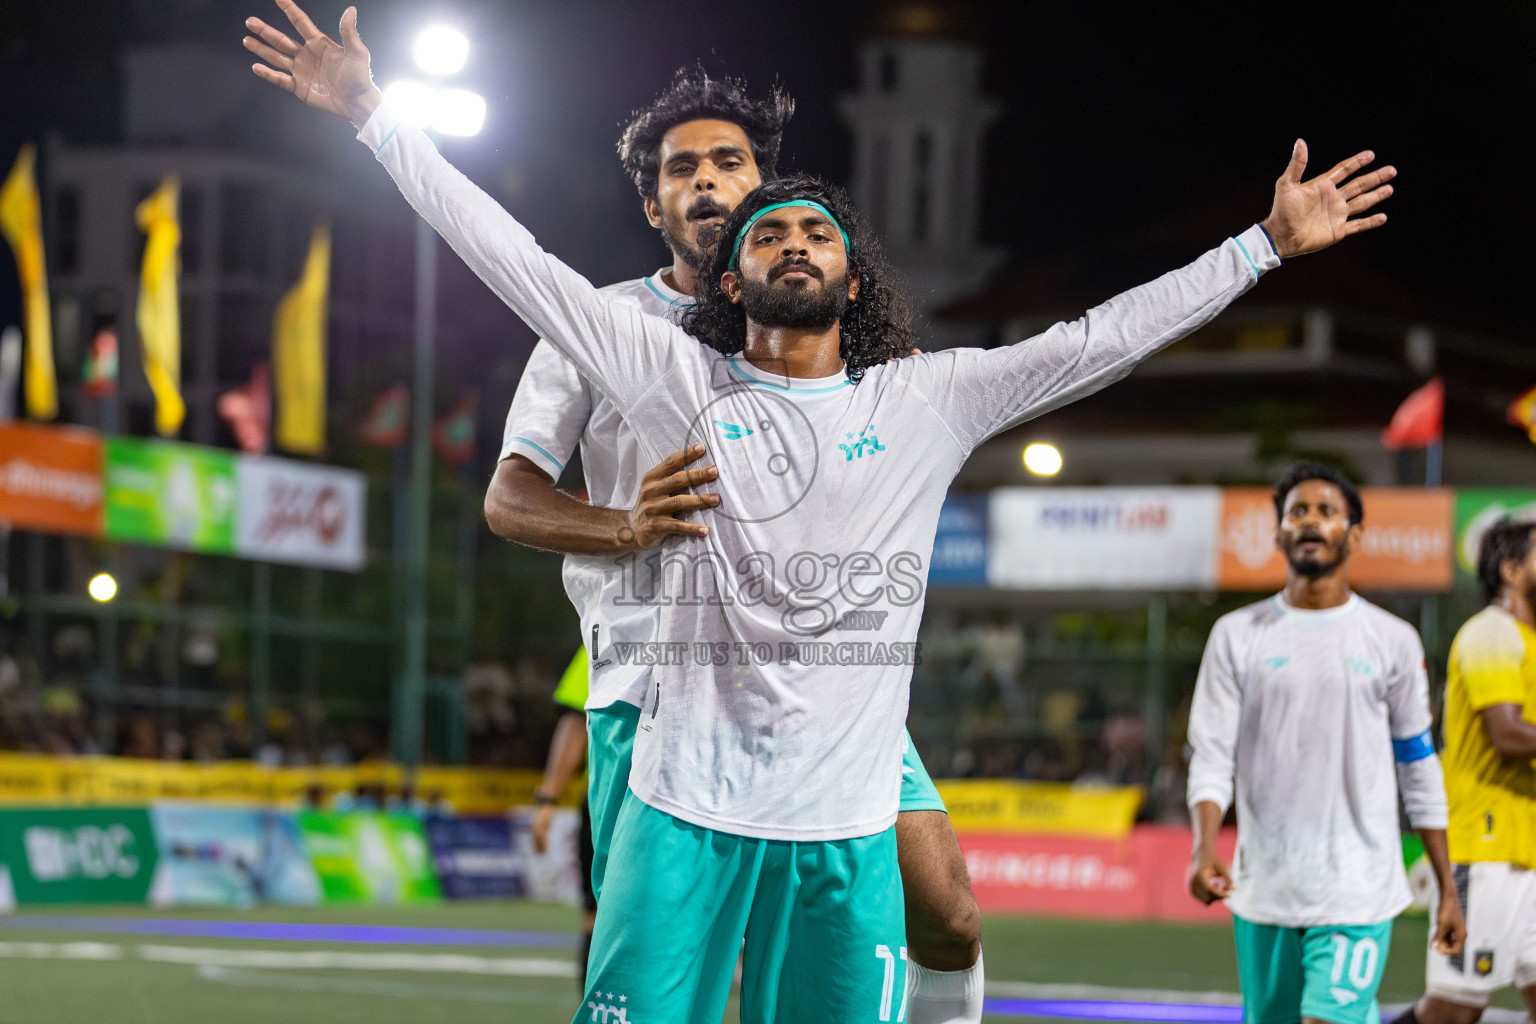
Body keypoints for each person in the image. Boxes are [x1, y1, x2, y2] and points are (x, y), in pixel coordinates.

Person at [244, 5, 1396, 1019]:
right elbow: (510, 257)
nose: (791, 238)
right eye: (767, 234)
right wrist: (376, 117)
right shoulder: (664, 368)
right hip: (675, 779)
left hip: (841, 814)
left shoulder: (928, 398)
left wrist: (1263, 247)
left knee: (947, 909)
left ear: (857, 273)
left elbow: (1102, 340)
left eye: (815, 228)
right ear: (729, 280)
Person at [480, 69, 986, 1021]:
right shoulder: (603, 325)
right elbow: (510, 499)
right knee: (681, 976)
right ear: (651, 201)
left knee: (949, 914)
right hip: (654, 686)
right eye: (683, 168)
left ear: (764, 183)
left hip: (826, 693)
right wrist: (621, 526)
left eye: (730, 162)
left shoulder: (824, 331)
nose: (707, 181)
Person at [1187, 462, 1468, 1024]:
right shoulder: (1237, 635)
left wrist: (1447, 886)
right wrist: (1204, 845)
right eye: (1298, 512)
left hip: (1358, 885)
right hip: (1264, 886)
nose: (1311, 521)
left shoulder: (1391, 639)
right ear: (1279, 533)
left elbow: (1418, 764)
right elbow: (1212, 752)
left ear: (1355, 535)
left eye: (1326, 511)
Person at [1389, 519, 1536, 1024]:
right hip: (1483, 846)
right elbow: (1510, 734)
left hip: (1528, 848)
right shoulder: (1490, 634)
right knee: (1454, 1009)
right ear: (1512, 571)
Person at [531, 648, 600, 990]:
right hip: (612, 797)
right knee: (600, 913)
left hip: (687, 798)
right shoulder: (607, 624)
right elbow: (577, 719)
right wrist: (547, 800)